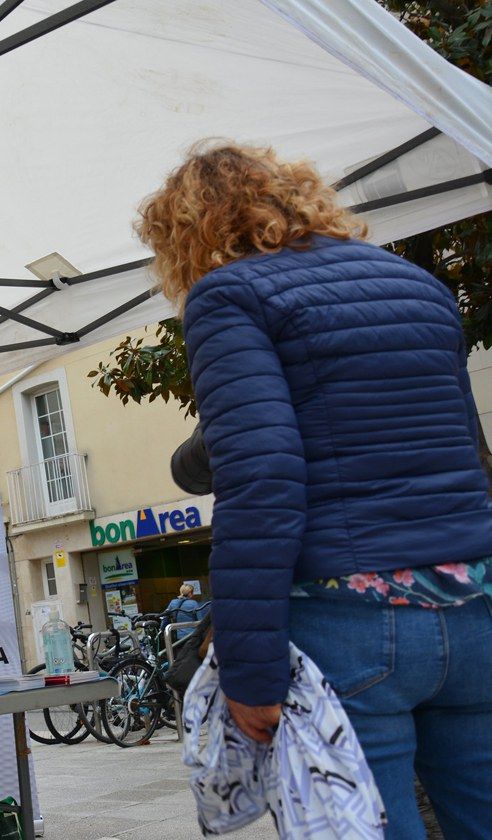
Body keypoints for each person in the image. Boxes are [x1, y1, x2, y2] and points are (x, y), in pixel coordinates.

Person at [136, 142, 492, 839]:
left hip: (351, 624)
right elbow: (472, 457)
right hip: (474, 608)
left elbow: (262, 477)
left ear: (189, 234)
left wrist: (249, 666)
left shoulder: (230, 294)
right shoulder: (418, 285)